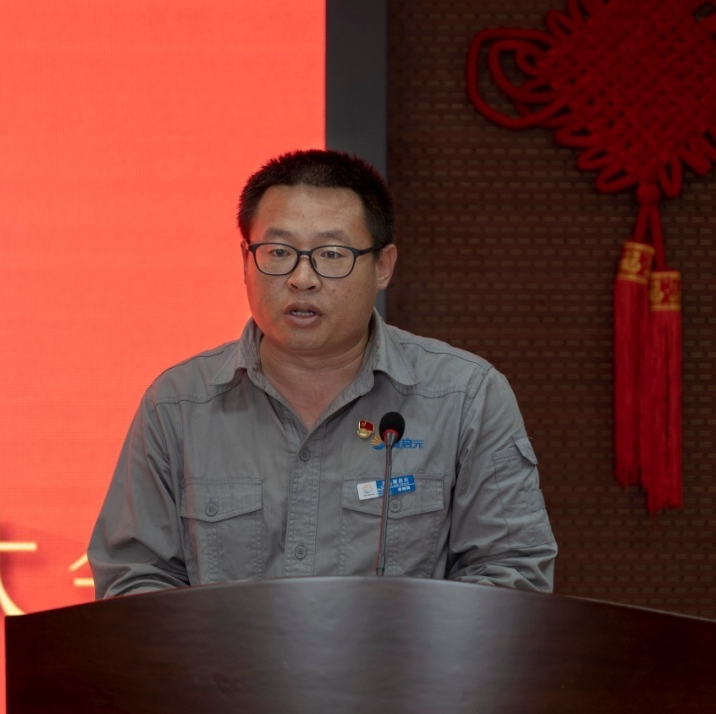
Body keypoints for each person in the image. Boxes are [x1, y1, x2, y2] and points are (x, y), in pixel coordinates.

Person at [88, 149, 556, 598]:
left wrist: (394, 644)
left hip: (404, 660)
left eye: (332, 254)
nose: (302, 278)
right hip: (225, 661)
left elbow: (512, 576)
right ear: (246, 262)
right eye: (278, 251)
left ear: (383, 267)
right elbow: (133, 580)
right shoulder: (177, 406)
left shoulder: (465, 398)